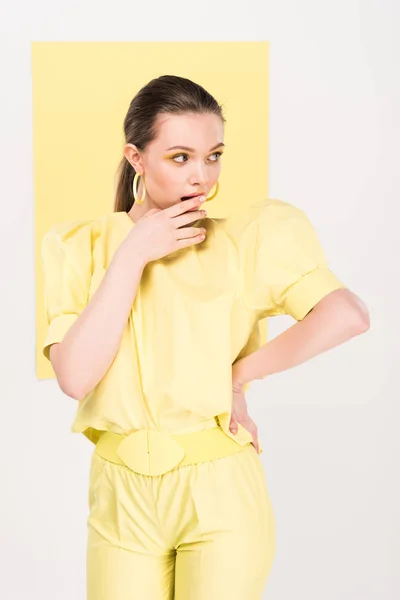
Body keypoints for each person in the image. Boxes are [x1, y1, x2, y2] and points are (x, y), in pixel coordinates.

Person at [40, 74, 370, 600]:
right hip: (118, 496)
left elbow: (346, 314)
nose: (202, 176)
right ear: (136, 157)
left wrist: (241, 375)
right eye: (180, 157)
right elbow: (76, 377)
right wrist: (133, 253)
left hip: (219, 488)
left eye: (213, 156)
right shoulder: (78, 248)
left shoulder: (241, 241)